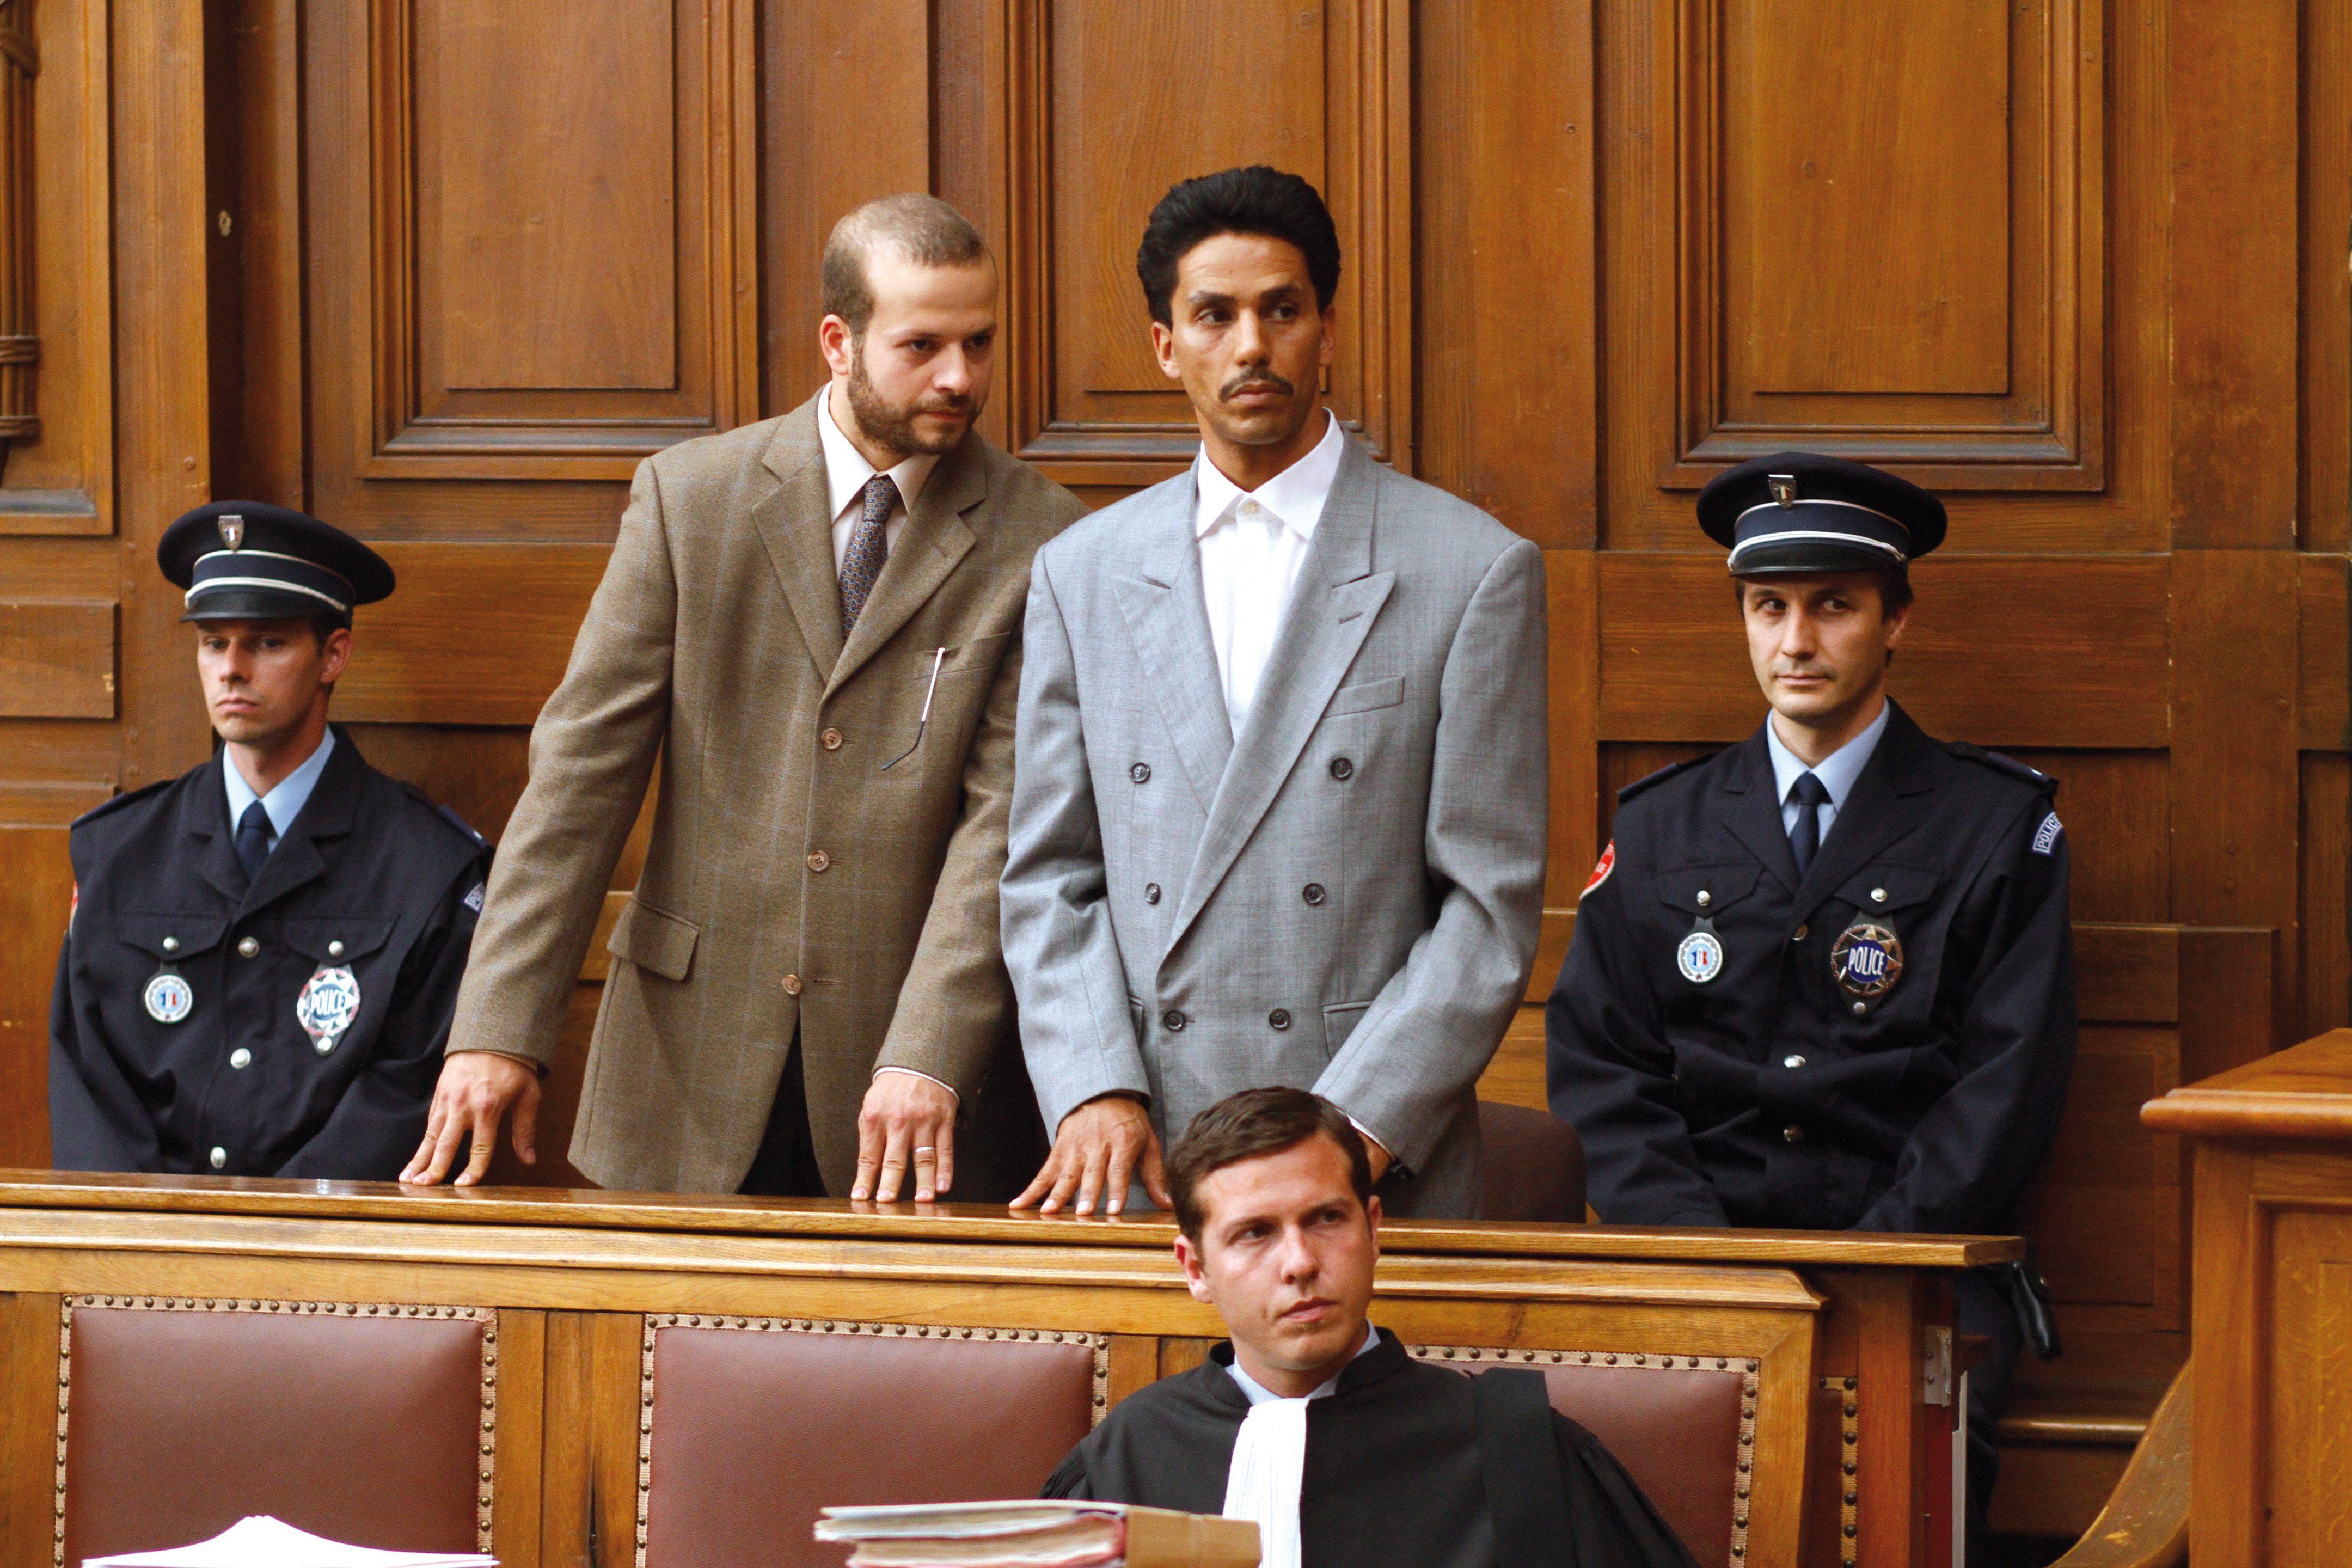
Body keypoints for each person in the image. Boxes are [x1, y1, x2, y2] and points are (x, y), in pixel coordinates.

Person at [405, 195, 1089, 1200]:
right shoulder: (690, 498)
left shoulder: (1043, 536)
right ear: (838, 343)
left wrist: (931, 1052)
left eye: (979, 343)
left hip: (912, 1087)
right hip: (686, 1068)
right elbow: (579, 782)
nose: (960, 377)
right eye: (922, 346)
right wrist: (498, 1031)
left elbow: (1006, 825)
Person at [1545, 451, 2075, 1540]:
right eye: (1769, 607)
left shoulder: (1995, 824)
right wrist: (1705, 1262)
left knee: (1898, 1491)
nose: (1795, 641)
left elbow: (2007, 1083)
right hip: (1698, 1263)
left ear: (1896, 620)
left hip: (1916, 1269)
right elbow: (1602, 1066)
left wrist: (1869, 1269)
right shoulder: (1660, 825)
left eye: (1833, 606)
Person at [1001, 166, 1546, 1219]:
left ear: (1326, 331)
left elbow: (1487, 909)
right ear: (1167, 345)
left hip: (1368, 1166)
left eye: (1281, 311)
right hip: (1145, 1155)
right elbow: (1049, 877)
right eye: (1215, 315)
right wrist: (1094, 1087)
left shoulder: (1471, 569)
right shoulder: (1083, 573)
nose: (1251, 345)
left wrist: (1347, 1139)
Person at [1042, 1087, 1698, 1568]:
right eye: (1255, 1233)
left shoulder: (1516, 1445)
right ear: (1196, 1269)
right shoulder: (1126, 1455)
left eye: (1326, 1219)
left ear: (1373, 1228)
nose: (1300, 1263)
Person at [50, 502, 491, 1180]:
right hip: (146, 1232)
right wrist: (148, 1228)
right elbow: (91, 1076)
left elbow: (411, 1086)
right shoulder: (119, 851)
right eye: (213, 642)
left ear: (333, 655)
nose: (231, 668)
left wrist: (277, 1229)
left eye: (266, 643)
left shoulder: (427, 864)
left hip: (336, 1235)